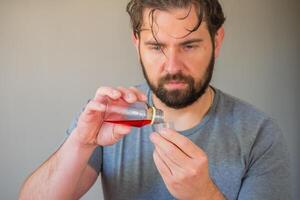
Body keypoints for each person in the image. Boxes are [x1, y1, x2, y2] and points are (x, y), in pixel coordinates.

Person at [19, 0, 292, 199]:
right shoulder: (110, 116)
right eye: (156, 47)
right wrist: (82, 142)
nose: (172, 66)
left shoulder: (260, 134)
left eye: (189, 45)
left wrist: (203, 196)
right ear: (137, 43)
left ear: (216, 41)